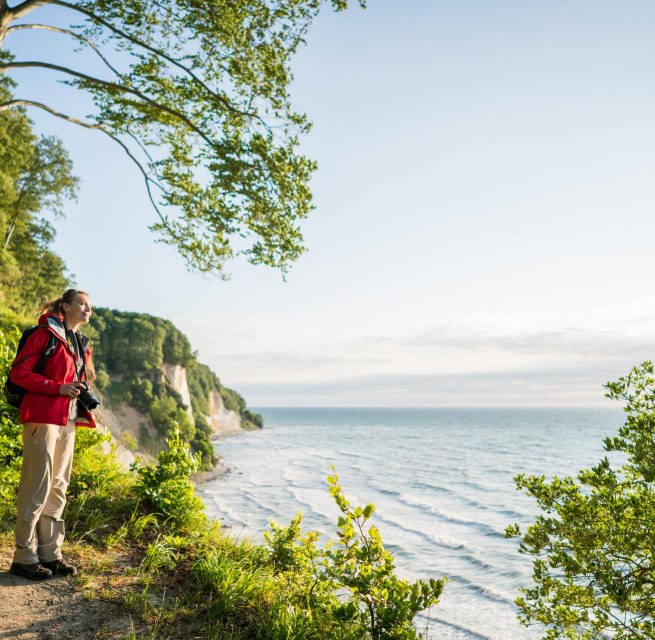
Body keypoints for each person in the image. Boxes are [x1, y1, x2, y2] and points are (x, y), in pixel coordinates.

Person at [8, 289, 96, 581]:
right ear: (67, 306)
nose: (87, 309)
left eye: (90, 306)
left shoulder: (80, 343)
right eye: (82, 304)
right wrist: (56, 387)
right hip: (42, 417)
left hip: (67, 419)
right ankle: (24, 557)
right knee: (37, 485)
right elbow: (19, 373)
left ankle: (50, 553)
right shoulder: (44, 334)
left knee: (58, 485)